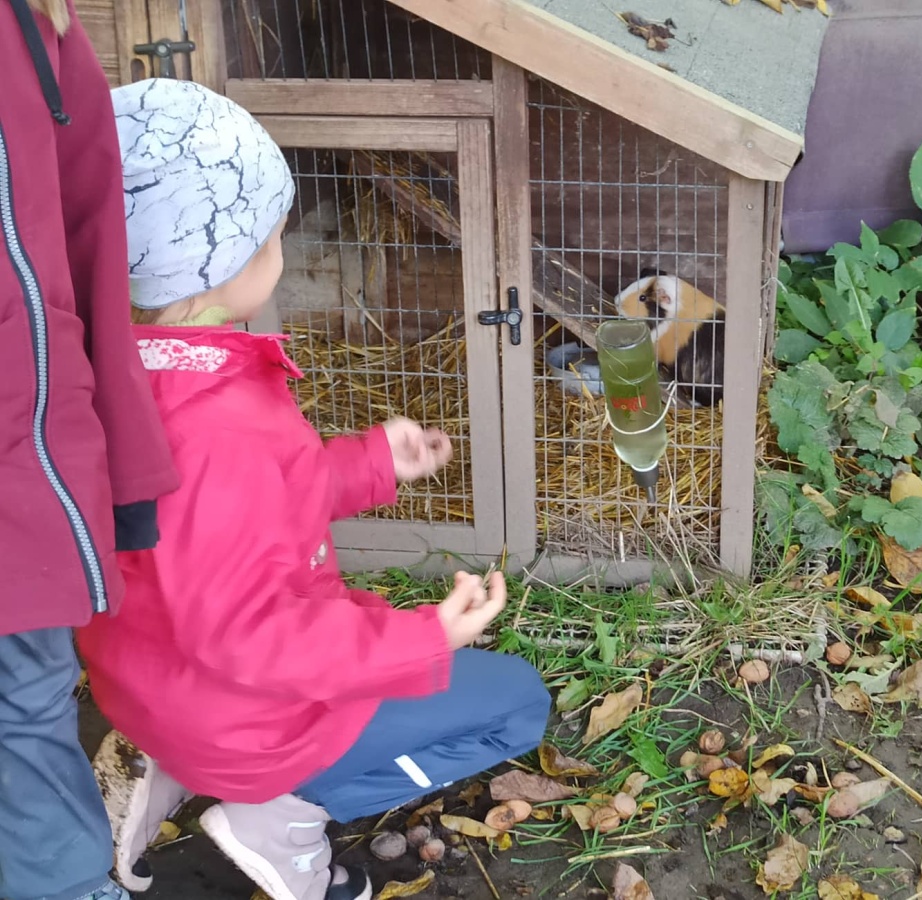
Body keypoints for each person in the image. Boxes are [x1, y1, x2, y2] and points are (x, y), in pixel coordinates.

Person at [75, 77, 551, 900]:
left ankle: (167, 760)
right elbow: (249, 634)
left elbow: (241, 516)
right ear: (219, 266)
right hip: (245, 713)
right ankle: (282, 814)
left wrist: (372, 463)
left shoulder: (129, 371)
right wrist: (422, 638)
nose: (283, 251)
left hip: (155, 683)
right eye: (272, 236)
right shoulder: (218, 426)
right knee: (517, 704)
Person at [0, 0, 180, 898]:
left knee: (25, 699)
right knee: (25, 707)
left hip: (27, 461)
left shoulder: (39, 34)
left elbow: (81, 232)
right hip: (25, 452)